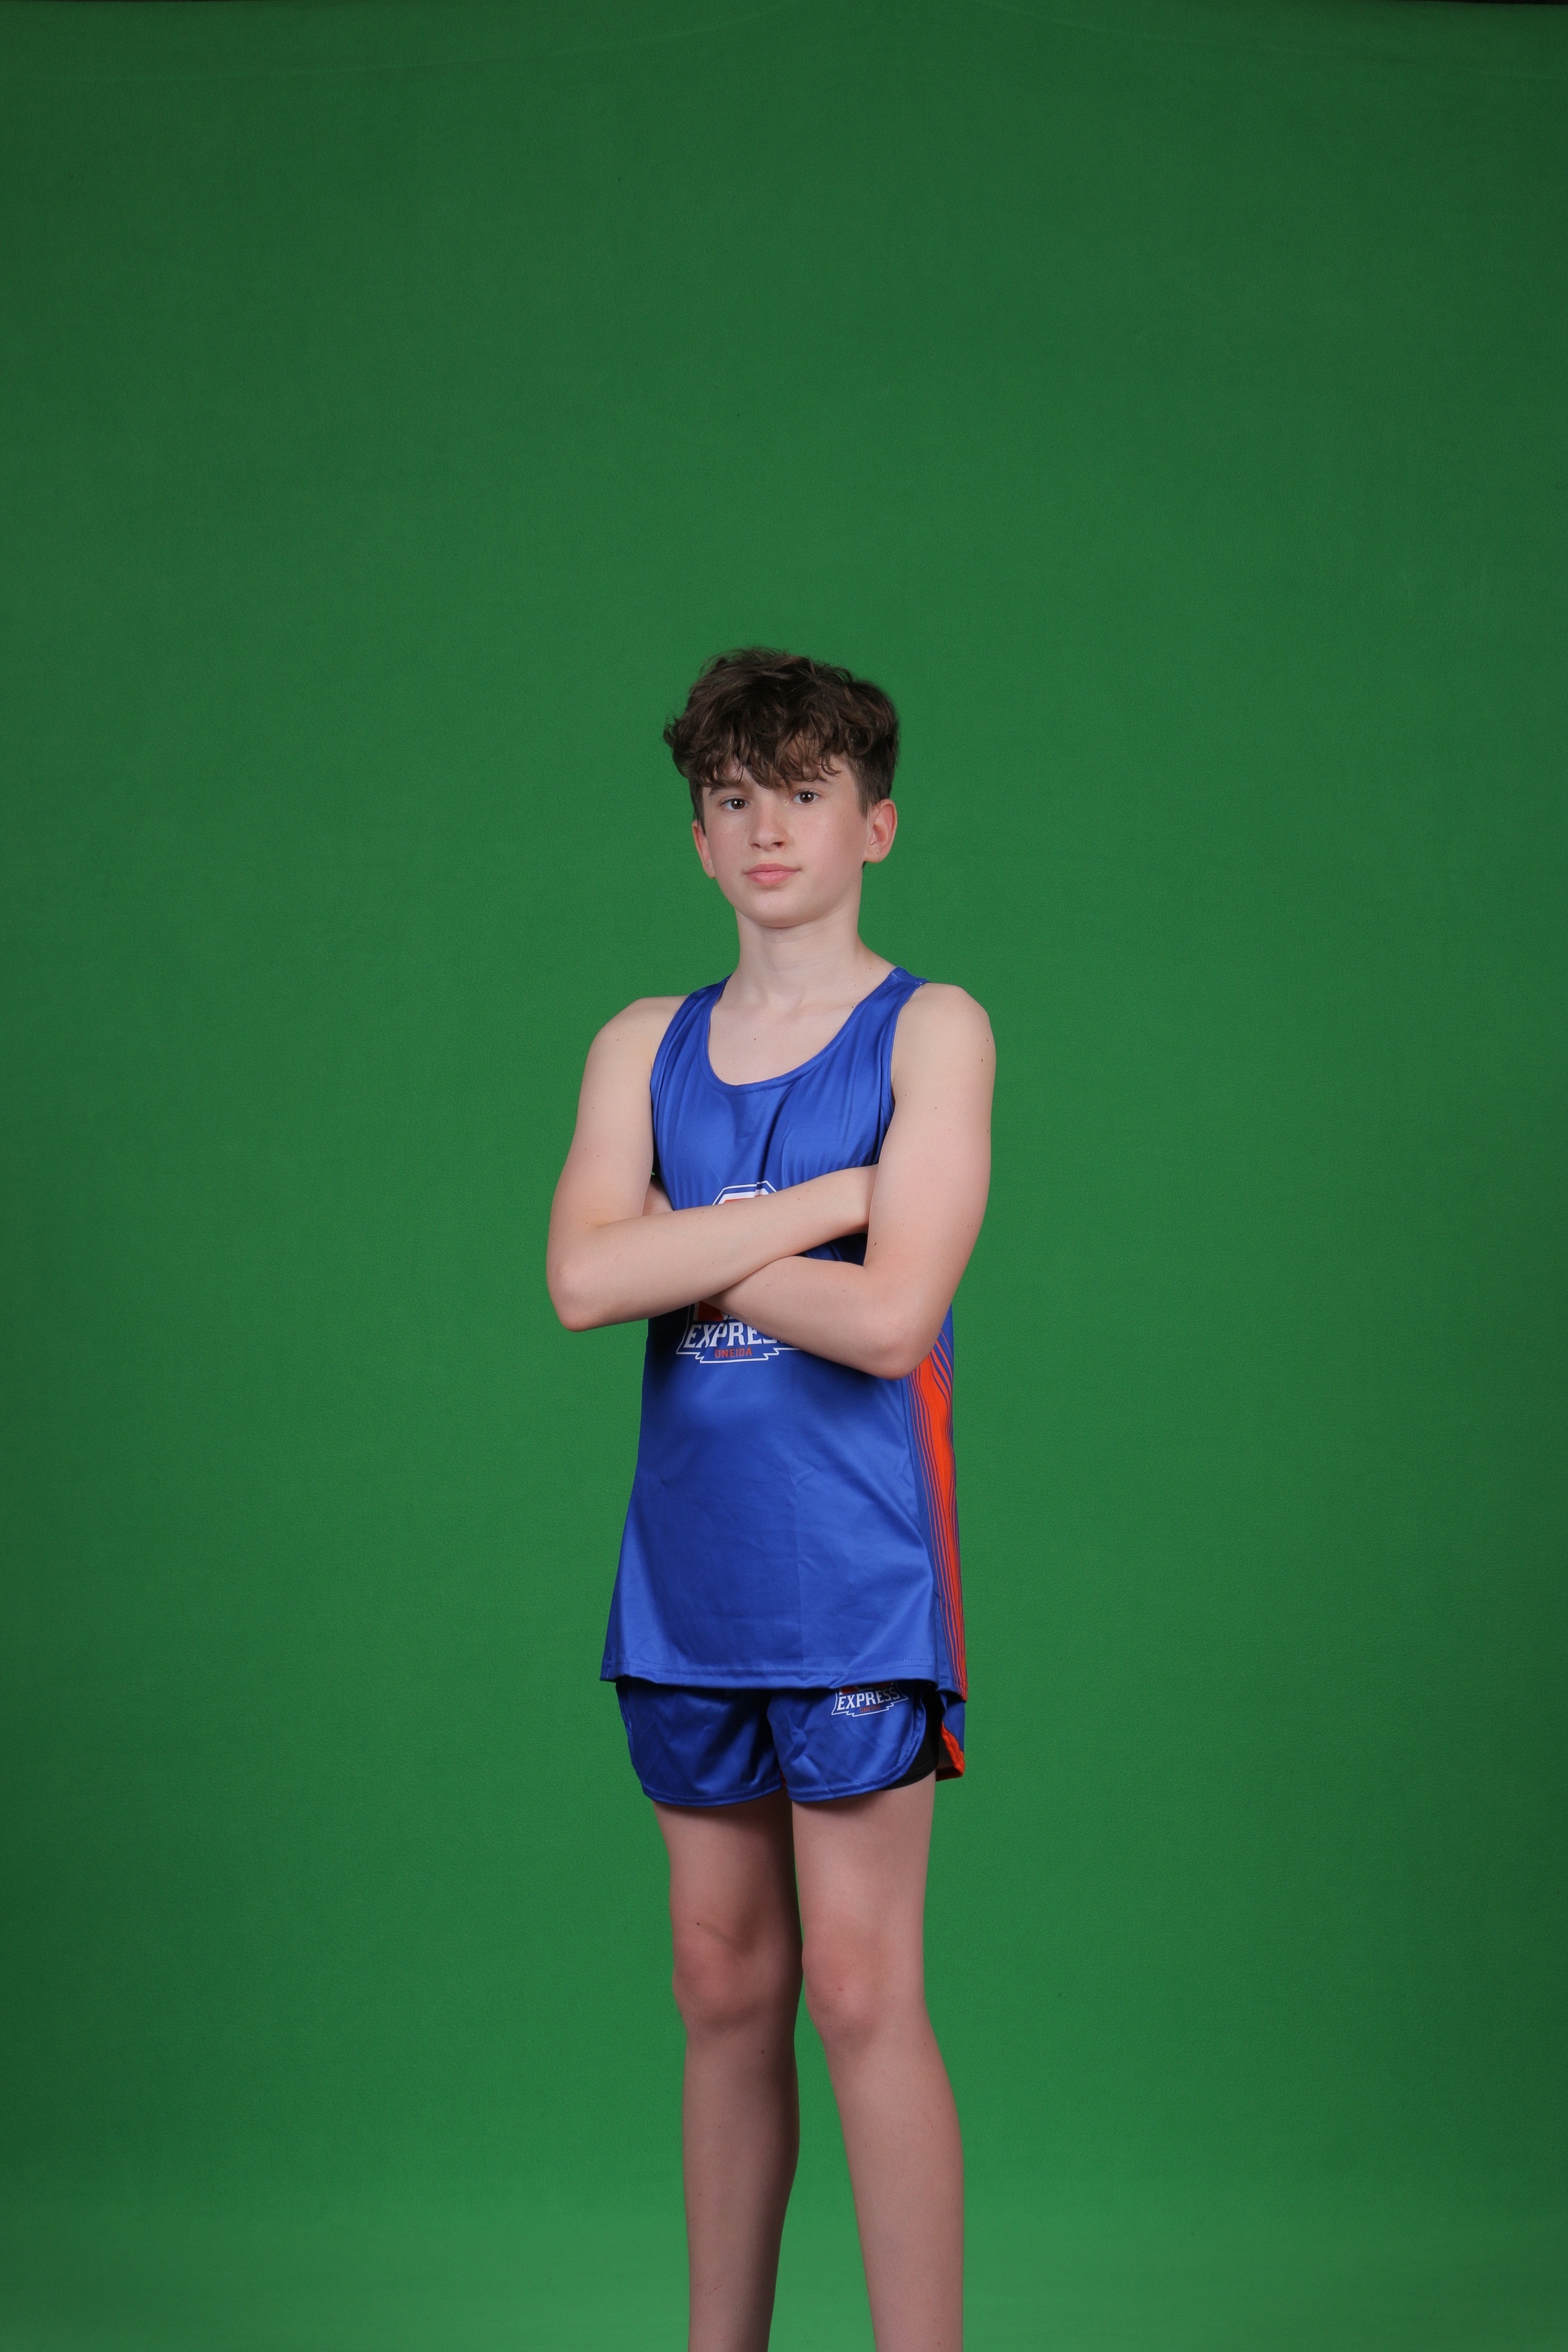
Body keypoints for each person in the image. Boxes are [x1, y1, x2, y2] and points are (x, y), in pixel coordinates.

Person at [546, 649, 994, 2352]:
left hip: (860, 1578)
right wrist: (826, 1201)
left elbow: (889, 1322)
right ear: (698, 839)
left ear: (875, 823)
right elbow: (579, 1282)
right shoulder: (639, 1044)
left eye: (804, 792)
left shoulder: (933, 1028)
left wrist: (684, 1243)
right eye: (731, 799)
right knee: (719, 1983)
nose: (766, 827)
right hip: (687, 1581)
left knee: (862, 1990)